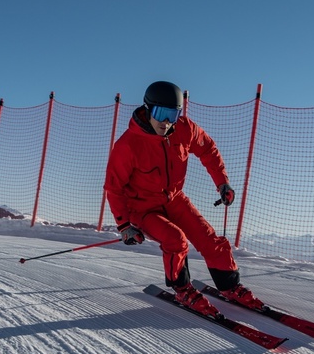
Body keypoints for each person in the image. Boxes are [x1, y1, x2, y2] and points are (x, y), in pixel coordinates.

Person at [104, 81, 265, 317]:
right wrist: (125, 225)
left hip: (175, 199)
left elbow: (208, 149)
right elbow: (114, 187)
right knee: (176, 240)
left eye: (173, 114)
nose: (166, 122)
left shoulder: (184, 129)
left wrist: (222, 181)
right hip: (143, 208)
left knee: (210, 239)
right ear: (148, 109)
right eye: (161, 113)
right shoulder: (128, 145)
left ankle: (231, 286)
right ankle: (182, 289)